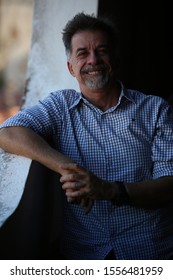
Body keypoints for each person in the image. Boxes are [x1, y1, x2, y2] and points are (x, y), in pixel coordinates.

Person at [0, 12, 173, 260]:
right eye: (82, 53)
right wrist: (69, 169)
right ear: (71, 68)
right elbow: (7, 133)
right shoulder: (60, 106)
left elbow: (169, 186)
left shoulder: (155, 109)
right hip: (85, 257)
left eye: (102, 50)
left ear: (116, 59)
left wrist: (107, 190)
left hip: (150, 253)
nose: (93, 60)